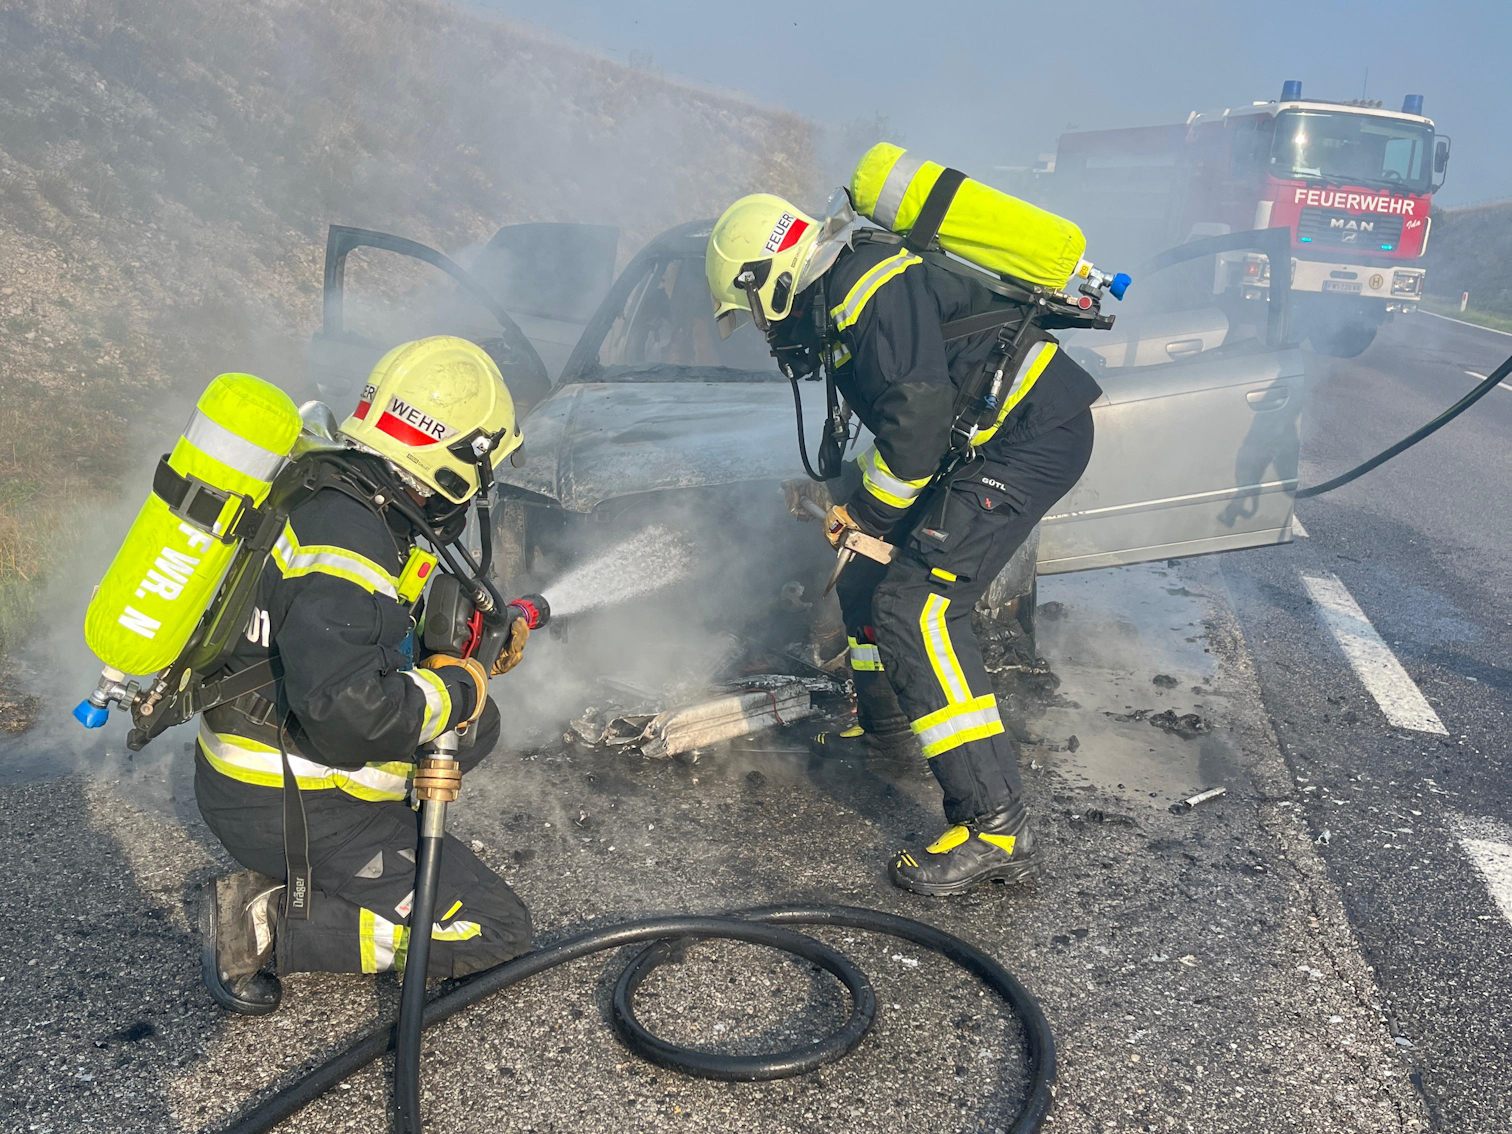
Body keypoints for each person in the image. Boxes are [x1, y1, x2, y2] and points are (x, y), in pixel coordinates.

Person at [706, 194, 1102, 896]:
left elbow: (916, 430)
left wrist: (862, 508)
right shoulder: (847, 289)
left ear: (767, 279)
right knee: (863, 575)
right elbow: (912, 419)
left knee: (918, 609)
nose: (766, 333)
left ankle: (995, 823)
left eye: (758, 314)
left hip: (1028, 439)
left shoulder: (867, 290)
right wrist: (856, 515)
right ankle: (886, 730)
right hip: (989, 439)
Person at [196, 336, 534, 1014]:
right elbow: (355, 716)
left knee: (476, 727)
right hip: (294, 804)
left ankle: (334, 876)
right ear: (452, 462)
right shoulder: (346, 539)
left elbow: (346, 640)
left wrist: (455, 665)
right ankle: (267, 926)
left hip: (267, 780)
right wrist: (460, 684)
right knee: (494, 930)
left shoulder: (338, 493)